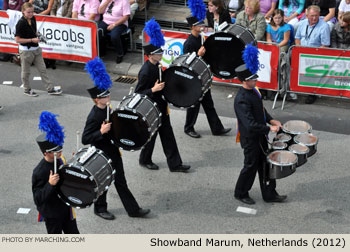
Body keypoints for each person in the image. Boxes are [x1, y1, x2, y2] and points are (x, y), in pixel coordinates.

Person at [82, 57, 150, 220]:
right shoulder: (94, 116)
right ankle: (100, 208)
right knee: (103, 183)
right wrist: (101, 131)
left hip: (113, 150)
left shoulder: (107, 108)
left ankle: (133, 210)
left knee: (120, 181)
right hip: (101, 153)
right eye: (105, 95)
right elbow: (86, 138)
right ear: (97, 99)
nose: (109, 96)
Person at [233, 45, 286, 205]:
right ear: (244, 81)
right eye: (252, 79)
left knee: (265, 166)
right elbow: (249, 124)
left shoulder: (254, 90)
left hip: (260, 135)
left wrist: (271, 120)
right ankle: (241, 192)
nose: (256, 80)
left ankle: (269, 194)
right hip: (250, 139)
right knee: (250, 166)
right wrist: (270, 128)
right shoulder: (241, 99)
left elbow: (260, 110)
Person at [136, 18, 191, 172]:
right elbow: (138, 94)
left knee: (168, 135)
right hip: (151, 108)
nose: (161, 53)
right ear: (151, 55)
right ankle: (145, 159)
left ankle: (175, 164)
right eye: (158, 52)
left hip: (161, 105)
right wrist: (152, 90)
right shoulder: (146, 71)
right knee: (151, 136)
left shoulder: (158, 65)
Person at [183, 0, 231, 138]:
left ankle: (217, 128)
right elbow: (187, 63)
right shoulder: (189, 42)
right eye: (199, 25)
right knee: (194, 104)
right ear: (193, 27)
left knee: (208, 104)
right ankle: (188, 127)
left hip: (203, 77)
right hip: (194, 79)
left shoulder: (201, 39)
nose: (202, 26)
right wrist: (198, 55)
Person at [33, 111, 79, 234]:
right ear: (45, 153)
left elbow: (65, 173)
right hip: (52, 214)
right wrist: (50, 184)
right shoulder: (40, 171)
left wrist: (75, 161)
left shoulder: (60, 159)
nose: (60, 152)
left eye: (60, 148)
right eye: (55, 151)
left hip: (65, 207)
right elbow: (38, 199)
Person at [15, 2, 62, 97]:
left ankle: (50, 89)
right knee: (26, 71)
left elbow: (34, 31)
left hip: (36, 49)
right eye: (29, 12)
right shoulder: (20, 23)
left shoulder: (33, 18)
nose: (31, 14)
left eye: (32, 12)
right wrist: (32, 39)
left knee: (43, 69)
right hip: (26, 51)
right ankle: (27, 89)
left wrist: (39, 35)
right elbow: (17, 39)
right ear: (23, 12)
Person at [295, 5, 330, 104]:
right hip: (301, 52)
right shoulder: (302, 24)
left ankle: (312, 93)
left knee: (313, 68)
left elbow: (325, 45)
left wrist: (312, 54)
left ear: (319, 15)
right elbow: (297, 38)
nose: (314, 18)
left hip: (315, 54)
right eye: (312, 16)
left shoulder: (324, 26)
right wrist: (298, 48)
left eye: (316, 16)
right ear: (307, 15)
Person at [30, 0, 57, 69]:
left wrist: (39, 15)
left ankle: (47, 59)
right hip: (33, 16)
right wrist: (31, 13)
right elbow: (28, 5)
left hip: (44, 19)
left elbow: (49, 9)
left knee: (44, 41)